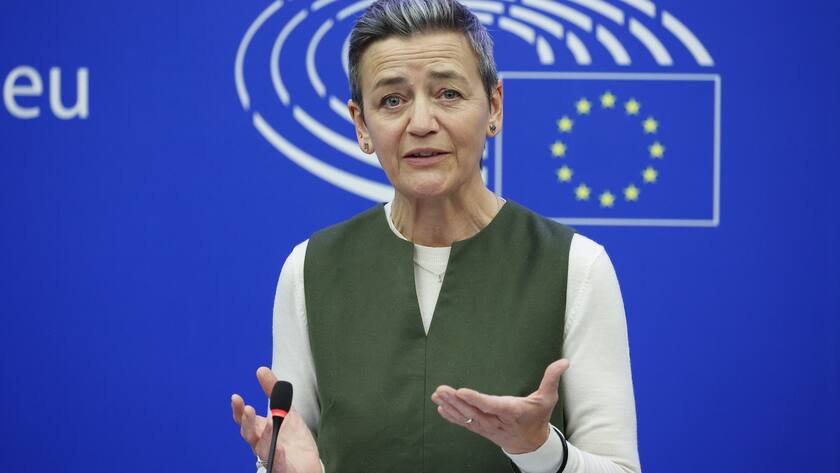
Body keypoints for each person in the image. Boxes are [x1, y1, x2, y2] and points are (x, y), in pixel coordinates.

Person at [231, 1, 641, 472]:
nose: (421, 123)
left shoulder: (575, 266)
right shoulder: (310, 269)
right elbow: (286, 454)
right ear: (362, 125)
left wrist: (539, 449)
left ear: (494, 106)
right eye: (392, 100)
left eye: (447, 93)